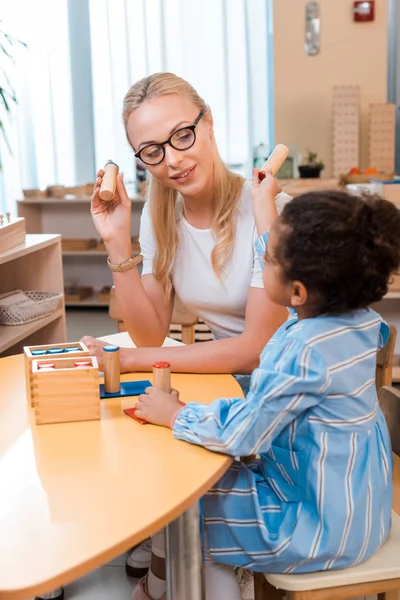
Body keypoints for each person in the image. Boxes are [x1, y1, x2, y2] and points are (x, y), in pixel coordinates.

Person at [134, 180, 400, 600]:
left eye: (268, 258)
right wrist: (264, 209)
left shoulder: (300, 352)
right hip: (361, 508)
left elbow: (243, 435)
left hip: (319, 528)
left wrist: (176, 414)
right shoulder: (362, 321)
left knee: (193, 511)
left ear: (297, 291)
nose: (260, 259)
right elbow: (283, 263)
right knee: (209, 486)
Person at [80, 72, 289, 595]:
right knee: (137, 419)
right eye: (151, 151)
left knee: (165, 422)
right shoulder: (162, 214)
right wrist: (116, 243)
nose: (172, 159)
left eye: (182, 135)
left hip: (280, 387)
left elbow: (258, 349)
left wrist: (128, 359)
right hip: (228, 377)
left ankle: (172, 560)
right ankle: (165, 553)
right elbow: (149, 329)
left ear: (209, 122)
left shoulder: (265, 209)